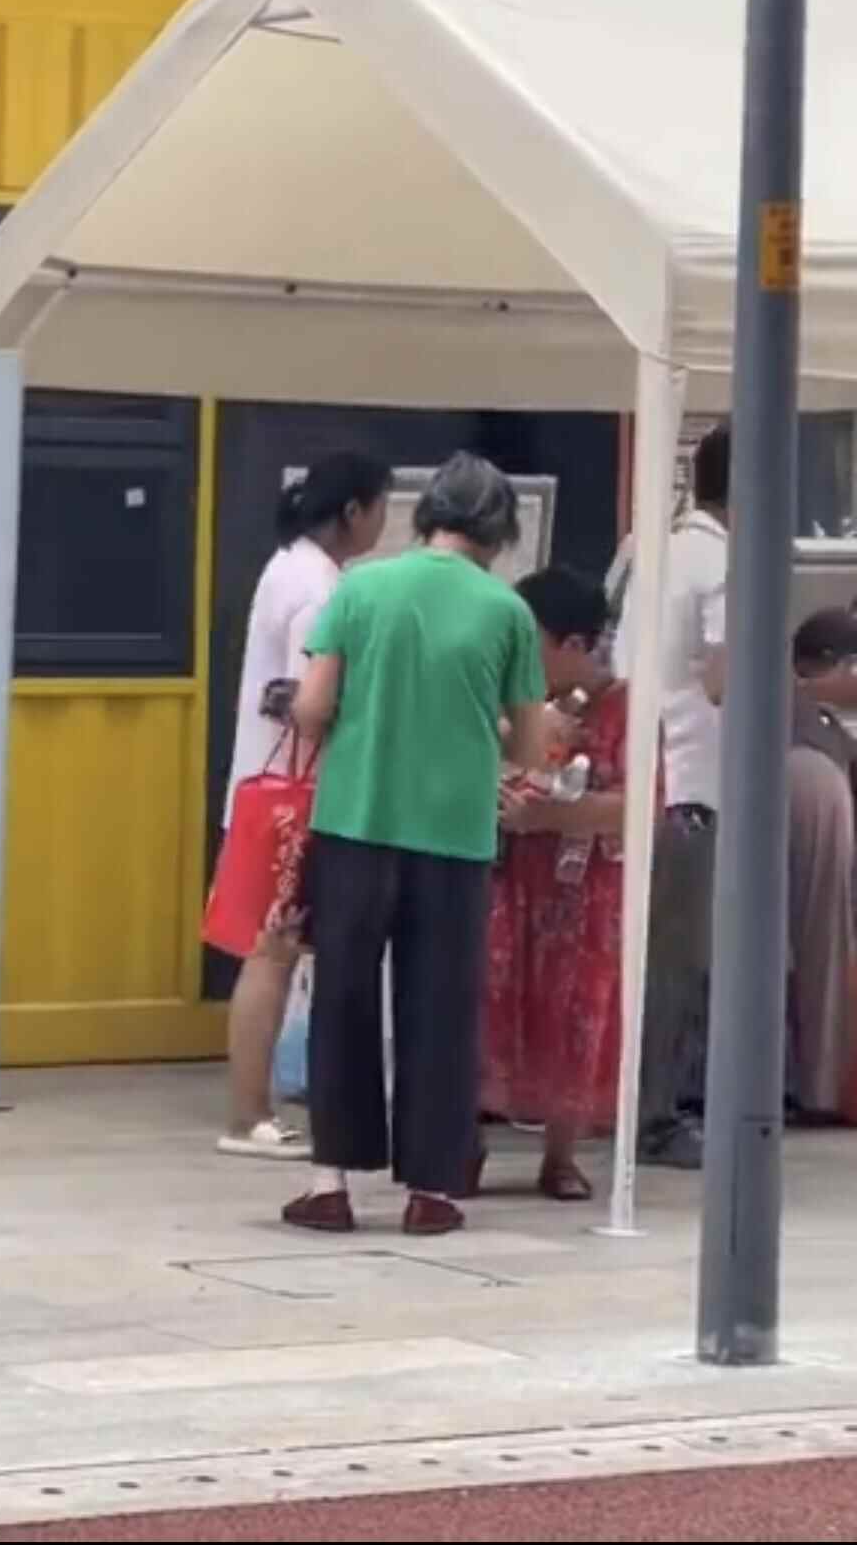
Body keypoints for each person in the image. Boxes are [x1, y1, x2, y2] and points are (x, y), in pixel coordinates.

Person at [283, 453, 547, 1237]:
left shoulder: (360, 589)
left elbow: (313, 707)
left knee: (343, 1000)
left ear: (425, 514)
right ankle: (432, 1191)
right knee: (441, 1009)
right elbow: (529, 747)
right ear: (499, 532)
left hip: (356, 822)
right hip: (454, 836)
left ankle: (329, 1184)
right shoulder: (507, 612)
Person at [217, 452, 392, 1160]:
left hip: (268, 792)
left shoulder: (287, 565)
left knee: (273, 951)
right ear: (353, 511)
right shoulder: (320, 588)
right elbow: (304, 702)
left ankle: (254, 1109)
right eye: (380, 507)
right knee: (275, 952)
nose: (383, 523)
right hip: (297, 801)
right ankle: (249, 1116)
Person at [481, 567, 637, 1201]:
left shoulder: (627, 708)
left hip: (586, 889)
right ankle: (466, 1141)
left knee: (579, 1011)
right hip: (511, 879)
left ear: (575, 644)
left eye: (533, 644)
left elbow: (639, 804)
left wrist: (548, 816)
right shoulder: (515, 703)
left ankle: (562, 1154)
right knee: (493, 1003)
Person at [615, 421, 730, 1171]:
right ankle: (655, 1117)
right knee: (675, 962)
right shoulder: (723, 561)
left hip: (645, 773)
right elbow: (724, 677)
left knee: (642, 956)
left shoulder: (655, 548)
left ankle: (635, 1103)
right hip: (691, 786)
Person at [787, 610, 857, 1121]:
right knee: (818, 955)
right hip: (812, 835)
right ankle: (817, 1087)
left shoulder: (818, 718)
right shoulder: (802, 718)